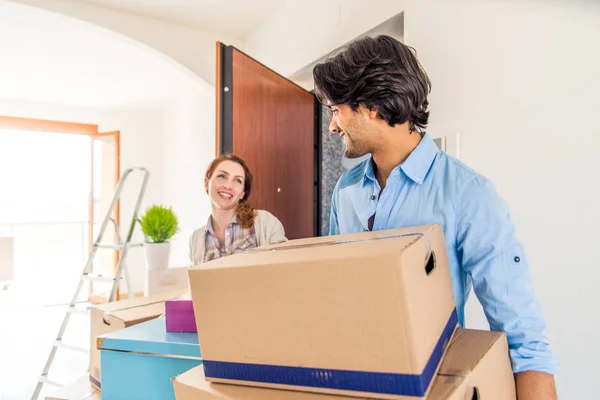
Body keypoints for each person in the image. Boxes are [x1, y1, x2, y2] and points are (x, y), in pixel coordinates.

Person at [313, 35, 557, 399]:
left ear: (374, 107)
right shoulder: (345, 191)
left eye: (337, 110)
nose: (333, 126)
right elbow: (335, 292)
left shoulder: (468, 194)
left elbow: (526, 346)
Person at [189, 154, 287, 265]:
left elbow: (283, 271)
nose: (228, 186)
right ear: (207, 184)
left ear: (242, 193)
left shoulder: (266, 222)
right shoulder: (195, 239)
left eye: (238, 181)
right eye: (222, 176)